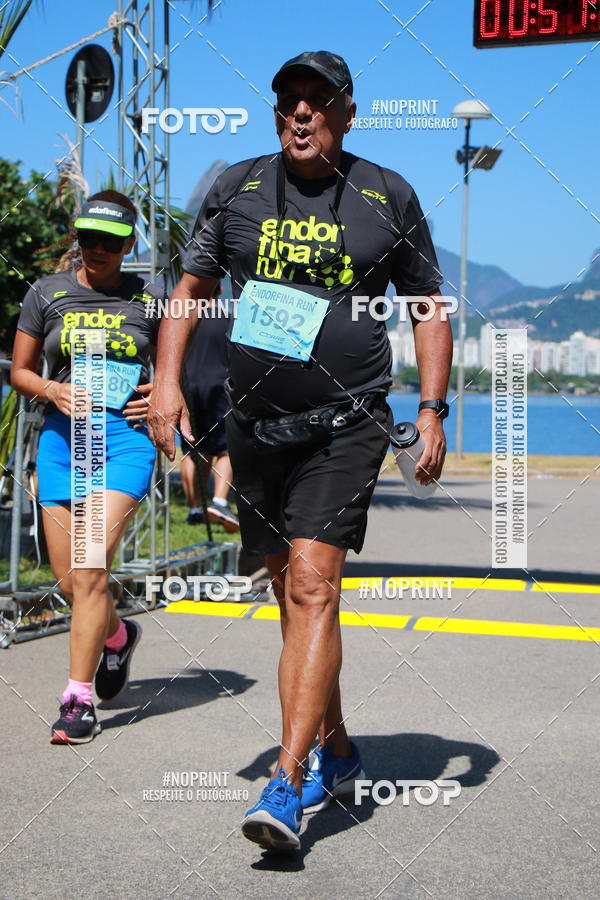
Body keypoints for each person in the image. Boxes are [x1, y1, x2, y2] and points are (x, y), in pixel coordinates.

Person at [148, 51, 452, 851]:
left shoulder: (387, 194)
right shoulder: (239, 186)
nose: (302, 112)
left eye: (319, 100)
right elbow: (190, 289)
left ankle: (285, 785)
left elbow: (427, 305)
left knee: (314, 587)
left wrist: (431, 410)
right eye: (289, 100)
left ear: (348, 113)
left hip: (346, 423)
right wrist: (168, 383)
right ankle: (338, 746)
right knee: (292, 596)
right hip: (255, 426)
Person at [11, 190, 158, 744]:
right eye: (88, 237)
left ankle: (77, 701)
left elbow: (174, 372)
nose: (96, 249)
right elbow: (20, 372)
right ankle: (117, 637)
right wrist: (53, 389)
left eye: (110, 241)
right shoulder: (46, 293)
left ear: (129, 244)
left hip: (123, 444)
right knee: (71, 579)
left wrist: (160, 396)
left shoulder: (149, 299)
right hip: (61, 443)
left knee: (91, 567)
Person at [179, 282, 239, 531]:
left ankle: (195, 508)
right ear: (220, 290)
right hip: (218, 387)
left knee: (193, 449)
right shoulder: (228, 318)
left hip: (188, 387)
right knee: (226, 449)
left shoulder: (184, 319)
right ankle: (219, 501)